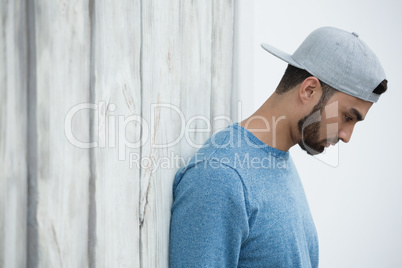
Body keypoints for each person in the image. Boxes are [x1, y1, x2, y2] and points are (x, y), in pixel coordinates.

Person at [169, 26, 387, 267]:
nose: (347, 136)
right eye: (348, 116)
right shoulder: (221, 175)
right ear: (309, 90)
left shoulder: (278, 161)